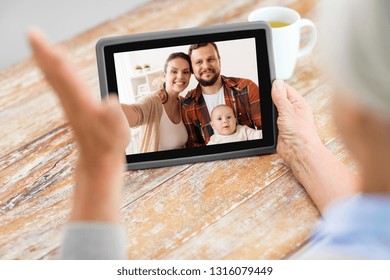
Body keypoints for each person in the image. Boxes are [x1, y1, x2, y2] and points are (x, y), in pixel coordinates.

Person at [28, 0, 390, 259]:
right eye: (192, 64)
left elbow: (263, 131)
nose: (198, 69)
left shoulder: (247, 87)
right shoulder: (182, 104)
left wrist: (97, 168)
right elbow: (152, 121)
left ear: (218, 61)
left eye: (206, 61)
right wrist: (305, 147)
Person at [181, 42, 262, 147]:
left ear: (219, 61)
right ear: (192, 69)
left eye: (211, 59)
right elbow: (195, 147)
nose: (206, 66)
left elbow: (267, 133)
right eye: (199, 62)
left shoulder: (247, 88)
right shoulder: (188, 106)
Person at [120, 52, 191, 153]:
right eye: (174, 71)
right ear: (164, 76)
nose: (180, 76)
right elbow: (136, 111)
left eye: (185, 72)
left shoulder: (184, 103)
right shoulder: (153, 102)